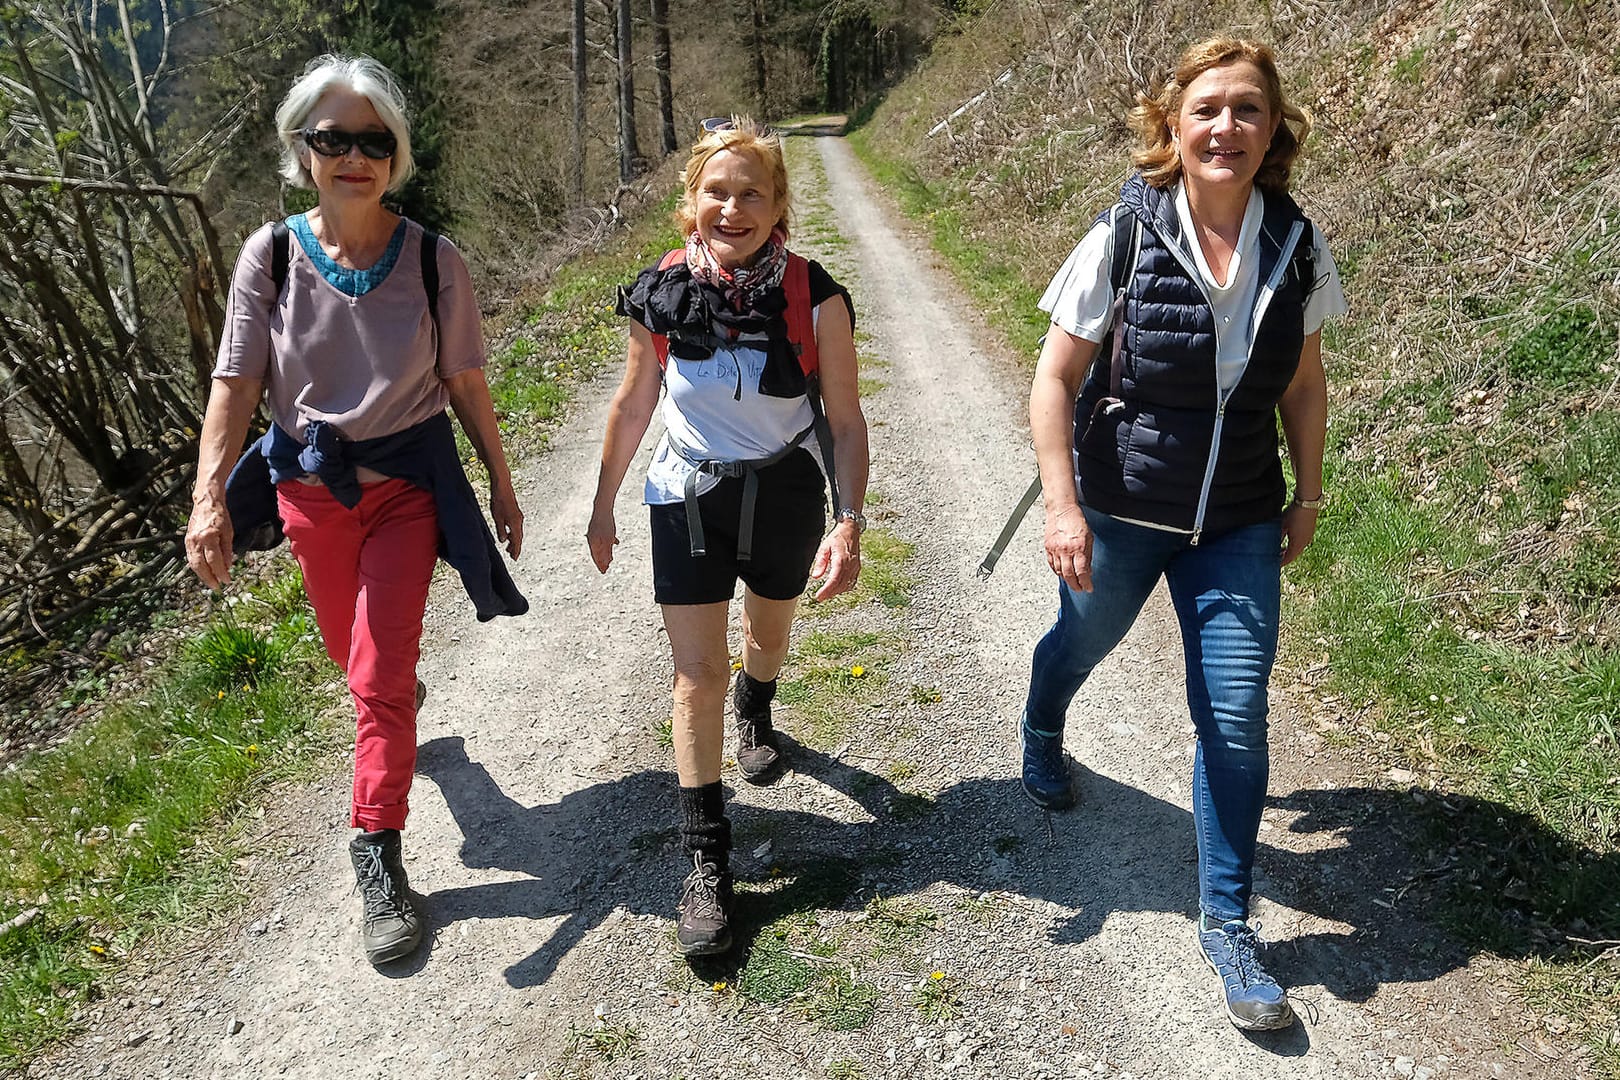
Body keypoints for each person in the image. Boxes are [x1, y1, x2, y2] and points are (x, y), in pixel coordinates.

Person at [1018, 37, 1347, 1030]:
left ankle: (1227, 926)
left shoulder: (1296, 242)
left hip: (1239, 517)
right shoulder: (1125, 232)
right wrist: (1062, 502)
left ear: (1272, 130)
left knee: (1235, 715)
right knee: (1082, 642)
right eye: (1208, 109)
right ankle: (1042, 726)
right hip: (1123, 506)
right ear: (1174, 125)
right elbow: (1054, 377)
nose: (1227, 128)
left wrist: (1310, 495)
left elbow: (1305, 381)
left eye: (1249, 110)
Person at [185, 54, 527, 966]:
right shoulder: (271, 255)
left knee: (374, 679)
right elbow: (236, 380)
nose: (353, 156)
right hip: (308, 493)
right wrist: (208, 494)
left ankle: (376, 852)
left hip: (407, 492)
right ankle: (393, 698)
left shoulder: (431, 257)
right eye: (332, 139)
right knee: (358, 660)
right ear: (304, 152)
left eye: (372, 140)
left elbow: (463, 379)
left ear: (395, 156)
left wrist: (499, 477)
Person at [587, 116, 869, 956]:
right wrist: (603, 504)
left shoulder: (818, 296)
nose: (733, 208)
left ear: (779, 204)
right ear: (692, 201)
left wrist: (850, 520)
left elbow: (846, 422)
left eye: (752, 193)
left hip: (783, 487)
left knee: (767, 636)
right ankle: (707, 862)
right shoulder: (659, 290)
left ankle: (760, 702)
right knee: (693, 674)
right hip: (688, 495)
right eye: (718, 191)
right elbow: (635, 403)